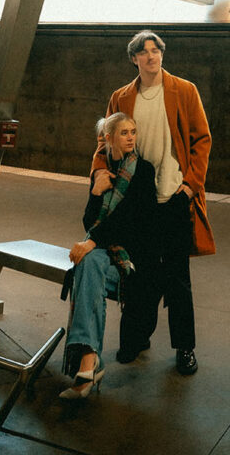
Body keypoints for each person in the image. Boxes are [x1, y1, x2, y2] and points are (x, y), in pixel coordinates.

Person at [91, 30, 214, 376]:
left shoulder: (184, 91)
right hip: (136, 201)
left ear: (162, 54)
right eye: (143, 52)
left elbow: (202, 140)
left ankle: (185, 349)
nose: (151, 57)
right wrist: (100, 172)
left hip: (174, 197)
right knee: (137, 276)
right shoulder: (121, 97)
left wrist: (190, 187)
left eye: (155, 50)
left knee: (177, 280)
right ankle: (135, 339)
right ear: (134, 59)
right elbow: (105, 141)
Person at [59, 112, 156, 399]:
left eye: (133, 132)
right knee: (90, 264)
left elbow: (133, 223)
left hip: (133, 257)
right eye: (123, 133)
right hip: (106, 255)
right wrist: (96, 191)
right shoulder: (102, 172)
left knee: (89, 263)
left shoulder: (144, 171)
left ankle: (87, 364)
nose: (130, 137)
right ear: (109, 138)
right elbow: (90, 222)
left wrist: (93, 242)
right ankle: (89, 364)